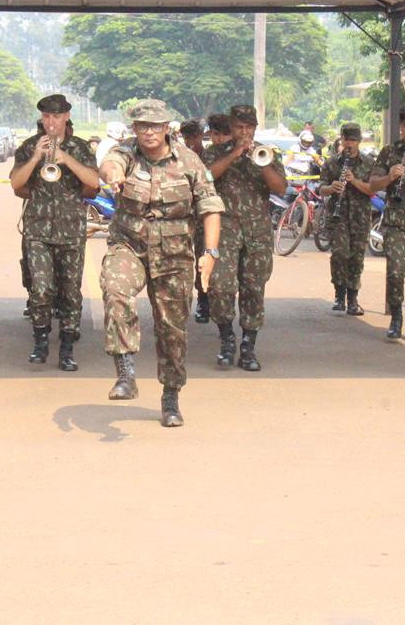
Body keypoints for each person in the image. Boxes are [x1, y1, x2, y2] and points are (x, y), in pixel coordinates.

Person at [99, 99, 224, 427]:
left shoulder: (189, 161)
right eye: (142, 126)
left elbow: (210, 207)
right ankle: (125, 373)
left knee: (172, 329)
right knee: (114, 290)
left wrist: (210, 255)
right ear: (134, 129)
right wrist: (114, 178)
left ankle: (171, 395)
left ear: (168, 127)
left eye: (155, 126)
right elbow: (110, 165)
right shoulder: (126, 153)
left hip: (174, 256)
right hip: (130, 245)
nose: (149, 132)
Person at [10, 95, 99, 371]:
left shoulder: (81, 148)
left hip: (71, 229)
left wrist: (66, 158)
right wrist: (38, 156)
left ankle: (68, 347)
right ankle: (40, 341)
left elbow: (94, 183)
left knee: (71, 292)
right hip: (37, 229)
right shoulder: (28, 147)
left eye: (56, 117)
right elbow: (16, 184)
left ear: (67, 117)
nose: (51, 122)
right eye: (46, 117)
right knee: (40, 289)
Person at [202, 104, 287, 371]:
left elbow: (281, 188)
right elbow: (205, 178)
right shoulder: (214, 152)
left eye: (249, 127)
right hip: (224, 231)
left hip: (257, 232)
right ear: (231, 127)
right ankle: (227, 340)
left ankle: (248, 347)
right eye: (239, 127)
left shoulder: (267, 153)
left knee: (253, 289)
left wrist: (258, 162)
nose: (244, 132)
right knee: (220, 285)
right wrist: (234, 154)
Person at [369, 104, 405, 342]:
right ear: (400, 127)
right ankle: (395, 320)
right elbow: (372, 185)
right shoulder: (389, 151)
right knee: (395, 272)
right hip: (395, 220)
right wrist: (389, 176)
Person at [320, 122, 376, 314]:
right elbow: (321, 188)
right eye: (346, 139)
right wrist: (332, 187)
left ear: (359, 141)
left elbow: (372, 190)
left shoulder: (368, 163)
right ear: (341, 140)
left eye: (353, 140)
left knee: (356, 257)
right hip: (338, 216)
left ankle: (353, 299)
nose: (349, 143)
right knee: (339, 254)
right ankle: (339, 295)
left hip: (360, 217)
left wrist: (354, 181)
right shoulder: (332, 162)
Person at [180, 118, 211, 323]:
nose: (191, 140)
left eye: (195, 136)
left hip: (201, 216)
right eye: (187, 136)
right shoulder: (178, 157)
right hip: (181, 215)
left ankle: (203, 299)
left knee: (202, 257)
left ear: (201, 136)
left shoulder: (209, 156)